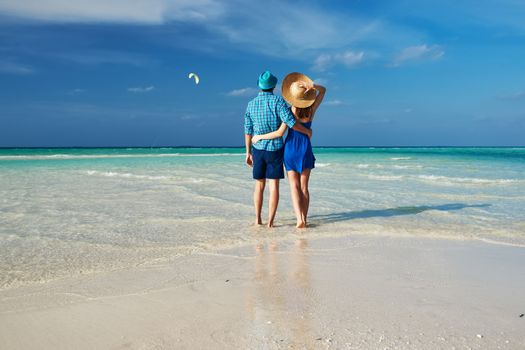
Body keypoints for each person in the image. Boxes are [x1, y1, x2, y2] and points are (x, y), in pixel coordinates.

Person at [252, 72, 326, 228]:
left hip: (291, 148)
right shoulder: (311, 110)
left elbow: (282, 130)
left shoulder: (290, 110)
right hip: (305, 148)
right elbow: (323, 90)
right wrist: (312, 86)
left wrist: (259, 137)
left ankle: (298, 218)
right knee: (305, 187)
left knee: (294, 187)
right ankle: (304, 219)